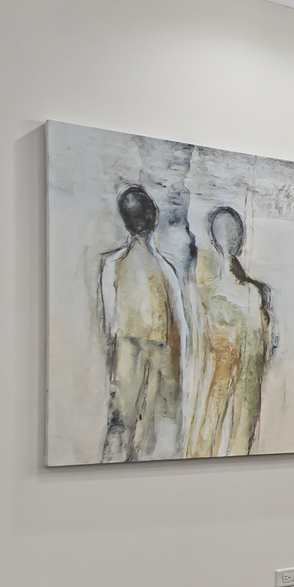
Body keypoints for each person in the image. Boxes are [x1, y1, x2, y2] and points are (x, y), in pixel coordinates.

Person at [98, 186, 187, 461]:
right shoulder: (113, 263)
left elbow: (178, 319)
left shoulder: (166, 268)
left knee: (153, 420)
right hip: (128, 347)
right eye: (133, 214)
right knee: (123, 414)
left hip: (160, 351)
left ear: (153, 215)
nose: (139, 220)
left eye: (143, 213)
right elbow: (110, 317)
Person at [184, 206, 273, 456]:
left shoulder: (253, 289)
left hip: (249, 360)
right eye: (223, 231)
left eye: (235, 231)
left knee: (244, 418)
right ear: (213, 236)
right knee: (211, 414)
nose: (231, 237)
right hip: (219, 359)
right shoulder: (204, 280)